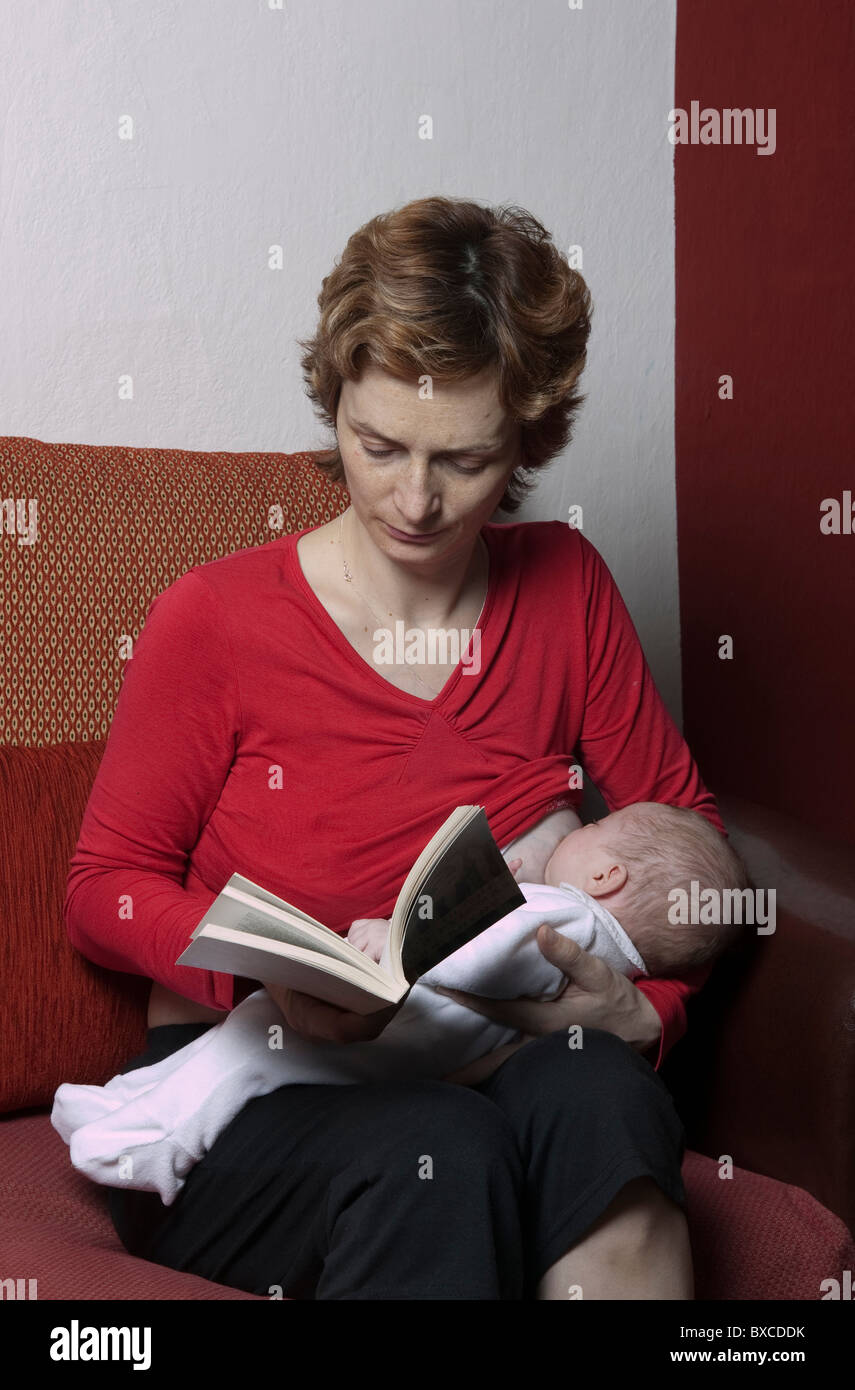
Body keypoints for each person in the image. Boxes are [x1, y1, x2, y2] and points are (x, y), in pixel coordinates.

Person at [63, 194, 730, 1300]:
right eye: (378, 446)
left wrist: (633, 1011)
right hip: (260, 1089)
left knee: (604, 1096)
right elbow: (102, 888)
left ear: (527, 437)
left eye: (465, 461)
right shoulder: (214, 620)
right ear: (336, 406)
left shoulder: (566, 590)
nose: (414, 501)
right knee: (436, 1148)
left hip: (501, 1057)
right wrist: (261, 976)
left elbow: (688, 846)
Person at [53, 802, 750, 1208]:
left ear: (604, 874)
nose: (575, 828)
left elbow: (474, 948)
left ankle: (153, 1146)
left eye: (588, 828)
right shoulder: (605, 947)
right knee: (248, 1040)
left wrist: (393, 941)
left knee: (248, 1057)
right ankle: (127, 1101)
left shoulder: (564, 912)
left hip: (391, 1030)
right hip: (421, 1053)